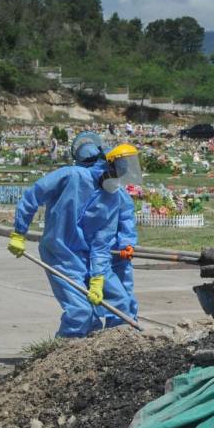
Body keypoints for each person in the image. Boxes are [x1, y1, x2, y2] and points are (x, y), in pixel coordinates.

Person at [8, 138, 141, 337]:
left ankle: (114, 350)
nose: (119, 180)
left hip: (89, 256)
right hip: (59, 253)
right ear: (108, 165)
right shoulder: (72, 176)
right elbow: (33, 195)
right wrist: (19, 232)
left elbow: (101, 243)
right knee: (81, 312)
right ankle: (60, 356)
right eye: (116, 173)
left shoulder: (112, 198)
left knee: (122, 303)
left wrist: (97, 278)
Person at [72, 132, 139, 321]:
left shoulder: (113, 187)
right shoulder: (83, 183)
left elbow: (125, 217)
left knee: (121, 296)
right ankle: (110, 334)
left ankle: (120, 333)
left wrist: (126, 243)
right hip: (91, 252)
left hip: (114, 251)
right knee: (96, 297)